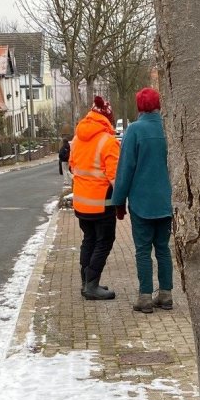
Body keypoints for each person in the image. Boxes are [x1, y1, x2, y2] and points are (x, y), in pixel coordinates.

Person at [111, 87, 173, 313]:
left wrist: (118, 201)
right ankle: (166, 294)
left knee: (143, 250)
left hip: (141, 202)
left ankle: (145, 297)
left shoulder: (134, 131)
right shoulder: (169, 129)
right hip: (166, 201)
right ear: (159, 105)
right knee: (163, 249)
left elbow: (125, 168)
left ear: (139, 107)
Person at [70, 96, 123, 301]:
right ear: (107, 118)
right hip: (101, 204)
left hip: (81, 202)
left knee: (89, 239)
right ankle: (91, 285)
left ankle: (86, 281)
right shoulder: (108, 142)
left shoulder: (76, 138)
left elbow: (73, 167)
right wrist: (121, 202)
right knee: (105, 241)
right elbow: (114, 177)